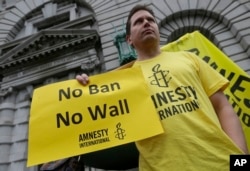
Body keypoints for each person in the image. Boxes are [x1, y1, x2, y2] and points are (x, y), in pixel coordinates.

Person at [76, 4, 249, 171]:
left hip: (220, 163)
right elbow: (98, 120)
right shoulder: (122, 79)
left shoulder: (189, 58)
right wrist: (83, 89)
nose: (146, 22)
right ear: (129, 39)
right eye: (138, 21)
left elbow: (222, 106)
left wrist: (241, 162)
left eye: (150, 20)